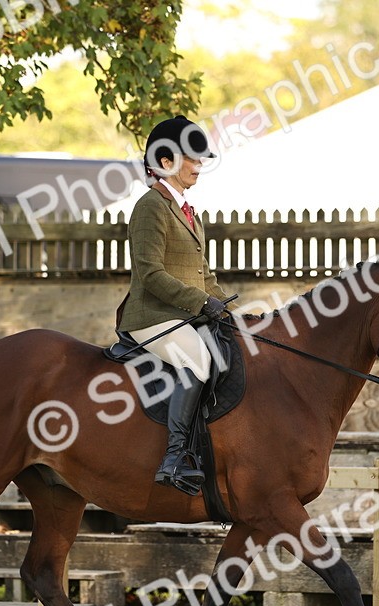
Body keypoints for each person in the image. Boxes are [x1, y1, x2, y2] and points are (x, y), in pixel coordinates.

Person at [117, 115, 234, 493]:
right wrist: (202, 303)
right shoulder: (150, 206)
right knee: (199, 362)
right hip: (151, 315)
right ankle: (175, 457)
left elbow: (203, 275)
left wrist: (227, 311)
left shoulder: (187, 211)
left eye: (200, 159)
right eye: (192, 159)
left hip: (183, 314)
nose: (199, 166)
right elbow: (150, 274)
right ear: (166, 161)